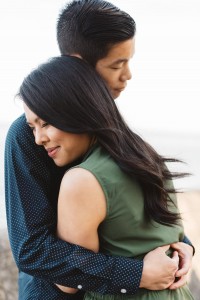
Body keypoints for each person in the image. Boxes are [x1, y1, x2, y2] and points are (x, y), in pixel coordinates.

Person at [4, 0, 194, 299]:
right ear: (78, 65)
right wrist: (135, 273)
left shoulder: (112, 130)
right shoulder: (28, 136)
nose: (128, 74)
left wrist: (181, 245)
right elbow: (32, 249)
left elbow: (132, 209)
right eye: (117, 64)